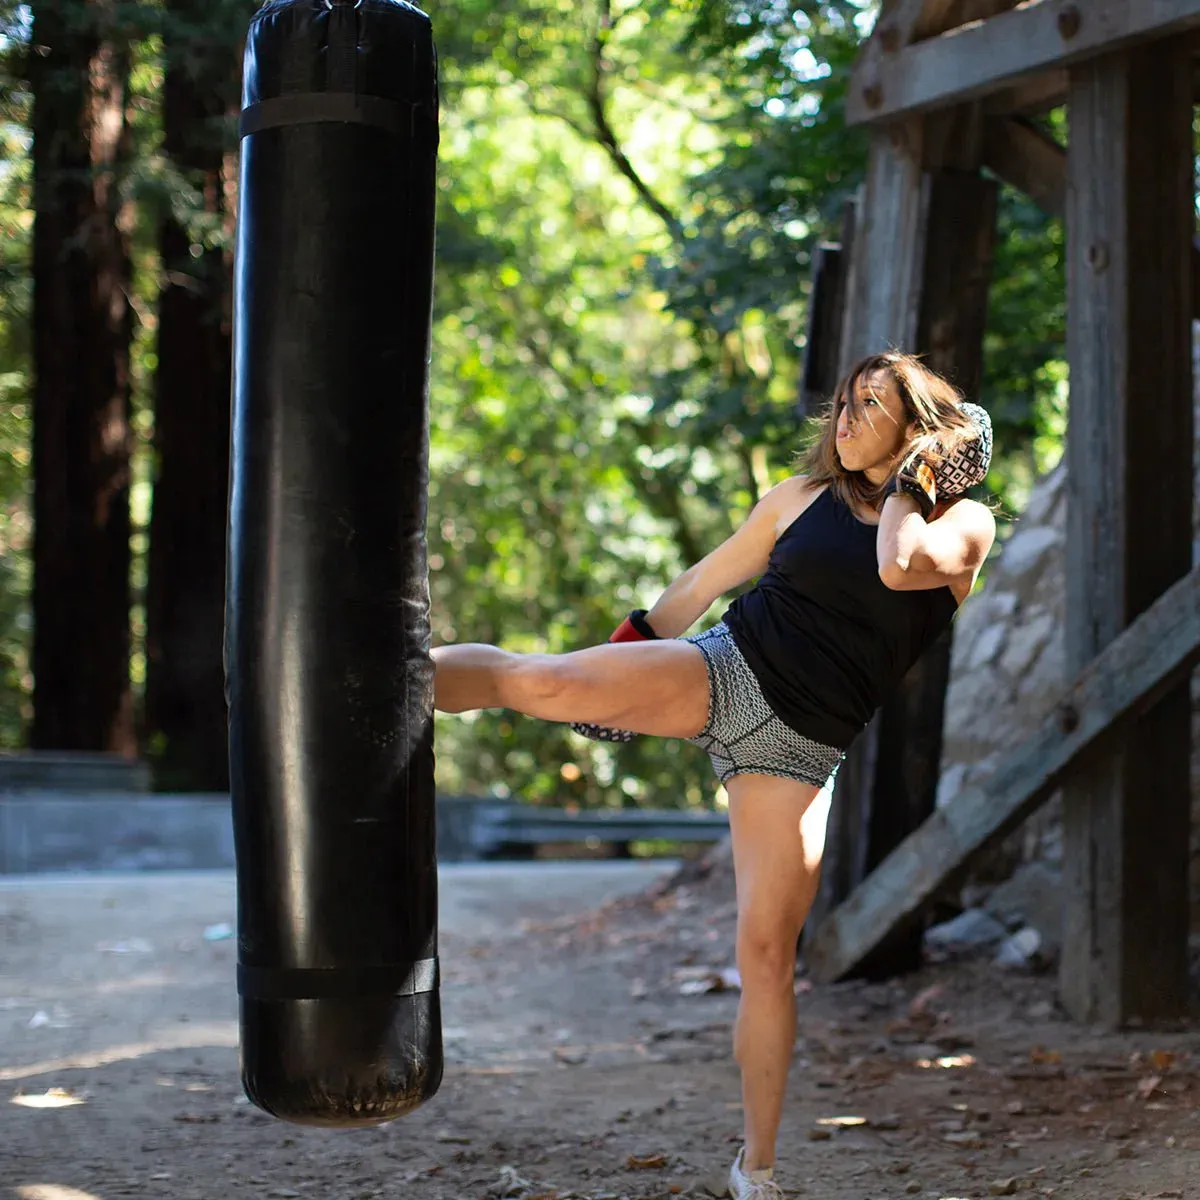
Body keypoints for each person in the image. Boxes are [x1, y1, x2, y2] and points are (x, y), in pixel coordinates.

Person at [431, 350, 998, 1200]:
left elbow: (896, 565)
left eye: (869, 405)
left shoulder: (966, 523)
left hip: (802, 753)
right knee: (542, 680)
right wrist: (622, 661)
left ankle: (756, 1170)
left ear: (918, 427)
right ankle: (380, 682)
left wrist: (913, 482)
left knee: (767, 957)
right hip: (725, 671)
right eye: (842, 404)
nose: (843, 420)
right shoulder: (799, 500)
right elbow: (700, 584)